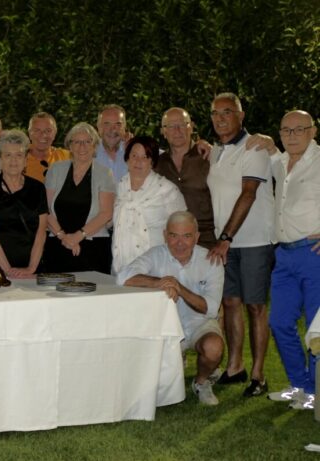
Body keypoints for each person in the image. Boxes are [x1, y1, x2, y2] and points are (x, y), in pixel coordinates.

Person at [246, 110, 320, 409]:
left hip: (314, 254)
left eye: (299, 129)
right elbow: (269, 149)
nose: (292, 135)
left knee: (316, 328)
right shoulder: (280, 162)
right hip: (284, 255)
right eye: (285, 130)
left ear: (313, 131)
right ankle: (299, 385)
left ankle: (315, 391)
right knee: (279, 322)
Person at [206, 92, 275, 397]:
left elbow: (248, 194)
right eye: (215, 113)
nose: (220, 118)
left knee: (255, 306)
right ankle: (235, 367)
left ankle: (259, 375)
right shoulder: (216, 152)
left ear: (241, 115)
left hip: (253, 240)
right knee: (230, 303)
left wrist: (225, 238)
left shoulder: (254, 148)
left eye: (227, 112)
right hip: (227, 243)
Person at [117, 211, 224, 405]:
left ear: (196, 237)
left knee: (214, 347)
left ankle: (201, 382)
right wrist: (160, 282)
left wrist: (178, 287)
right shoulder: (156, 254)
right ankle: (177, 359)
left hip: (200, 324)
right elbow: (123, 277)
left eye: (187, 236)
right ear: (165, 235)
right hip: (165, 326)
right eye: (174, 236)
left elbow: (211, 308)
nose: (179, 243)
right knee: (159, 387)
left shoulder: (210, 261)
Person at [44, 122, 115, 274]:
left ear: (94, 146)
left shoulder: (105, 173)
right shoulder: (55, 169)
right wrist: (63, 237)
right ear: (70, 146)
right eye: (77, 142)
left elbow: (106, 213)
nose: (82, 146)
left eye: (87, 141)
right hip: (57, 245)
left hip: (93, 248)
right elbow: (46, 209)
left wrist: (78, 236)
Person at [112, 136, 186, 273]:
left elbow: (184, 228)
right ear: (127, 159)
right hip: (121, 267)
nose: (138, 161)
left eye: (145, 157)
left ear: (152, 162)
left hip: (157, 269)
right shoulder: (119, 188)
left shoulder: (167, 190)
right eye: (134, 155)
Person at [0, 130, 48, 277]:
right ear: (0, 159)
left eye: (19, 155)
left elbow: (41, 233)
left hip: (34, 269)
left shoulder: (38, 188)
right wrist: (8, 270)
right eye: (8, 155)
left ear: (25, 160)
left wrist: (30, 269)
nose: (14, 161)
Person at [155, 107, 216, 248]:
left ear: (191, 127)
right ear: (164, 132)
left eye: (182, 124)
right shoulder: (157, 164)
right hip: (171, 243)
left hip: (207, 240)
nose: (177, 130)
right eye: (171, 126)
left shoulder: (208, 157)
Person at [25, 112, 70, 182]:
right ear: (29, 133)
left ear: (54, 134)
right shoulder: (16, 159)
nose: (43, 135)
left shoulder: (66, 157)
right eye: (37, 130)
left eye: (48, 130)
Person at [95, 104, 129, 182]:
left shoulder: (133, 152)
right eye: (107, 124)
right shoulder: (88, 153)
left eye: (118, 124)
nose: (112, 129)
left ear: (124, 127)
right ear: (98, 127)